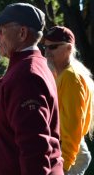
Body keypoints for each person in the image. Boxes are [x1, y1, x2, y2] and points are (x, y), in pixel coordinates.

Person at [0, 3, 63, 174]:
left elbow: (35, 150)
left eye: (1, 29)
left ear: (22, 33)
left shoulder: (25, 75)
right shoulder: (25, 67)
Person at [43, 26, 94, 174]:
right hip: (69, 151)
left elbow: (73, 127)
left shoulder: (70, 77)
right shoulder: (61, 73)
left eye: (53, 47)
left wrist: (63, 167)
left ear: (69, 48)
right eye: (45, 46)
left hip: (69, 155)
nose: (47, 51)